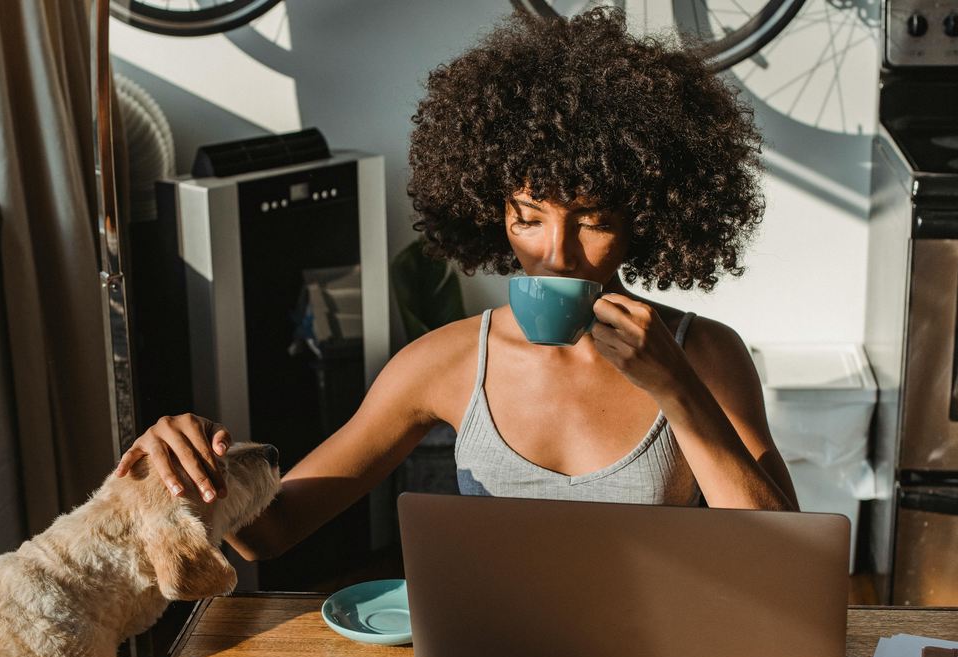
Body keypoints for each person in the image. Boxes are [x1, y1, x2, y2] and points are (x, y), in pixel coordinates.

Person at [115, 9, 798, 561]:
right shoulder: (442, 365)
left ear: (646, 221)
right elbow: (269, 532)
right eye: (527, 218)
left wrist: (676, 388)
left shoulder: (702, 355)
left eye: (592, 221)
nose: (555, 254)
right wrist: (195, 463)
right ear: (491, 209)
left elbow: (785, 558)